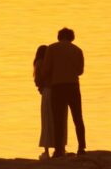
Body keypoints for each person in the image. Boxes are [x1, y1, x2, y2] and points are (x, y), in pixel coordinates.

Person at [41, 28, 86, 157]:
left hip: (57, 86)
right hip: (73, 86)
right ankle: (81, 147)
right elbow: (80, 71)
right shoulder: (77, 50)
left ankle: (59, 150)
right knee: (78, 118)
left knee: (58, 119)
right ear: (72, 37)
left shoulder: (52, 49)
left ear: (59, 37)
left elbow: (45, 71)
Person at [33, 45, 67, 160]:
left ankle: (46, 150)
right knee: (60, 120)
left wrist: (41, 89)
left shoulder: (39, 63)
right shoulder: (54, 62)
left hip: (47, 92)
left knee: (47, 120)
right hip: (58, 91)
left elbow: (38, 80)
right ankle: (60, 147)